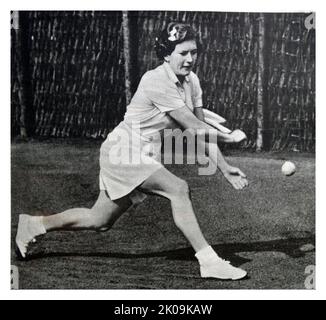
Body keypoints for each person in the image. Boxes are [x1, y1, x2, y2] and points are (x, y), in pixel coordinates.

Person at [16, 22, 249, 280]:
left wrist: (225, 168)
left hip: (142, 154)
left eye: (193, 52)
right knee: (178, 188)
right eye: (183, 53)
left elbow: (198, 131)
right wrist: (228, 135)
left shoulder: (192, 81)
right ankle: (208, 261)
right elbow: (194, 125)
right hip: (123, 151)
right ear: (166, 54)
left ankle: (35, 224)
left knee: (100, 220)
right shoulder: (156, 80)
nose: (190, 59)